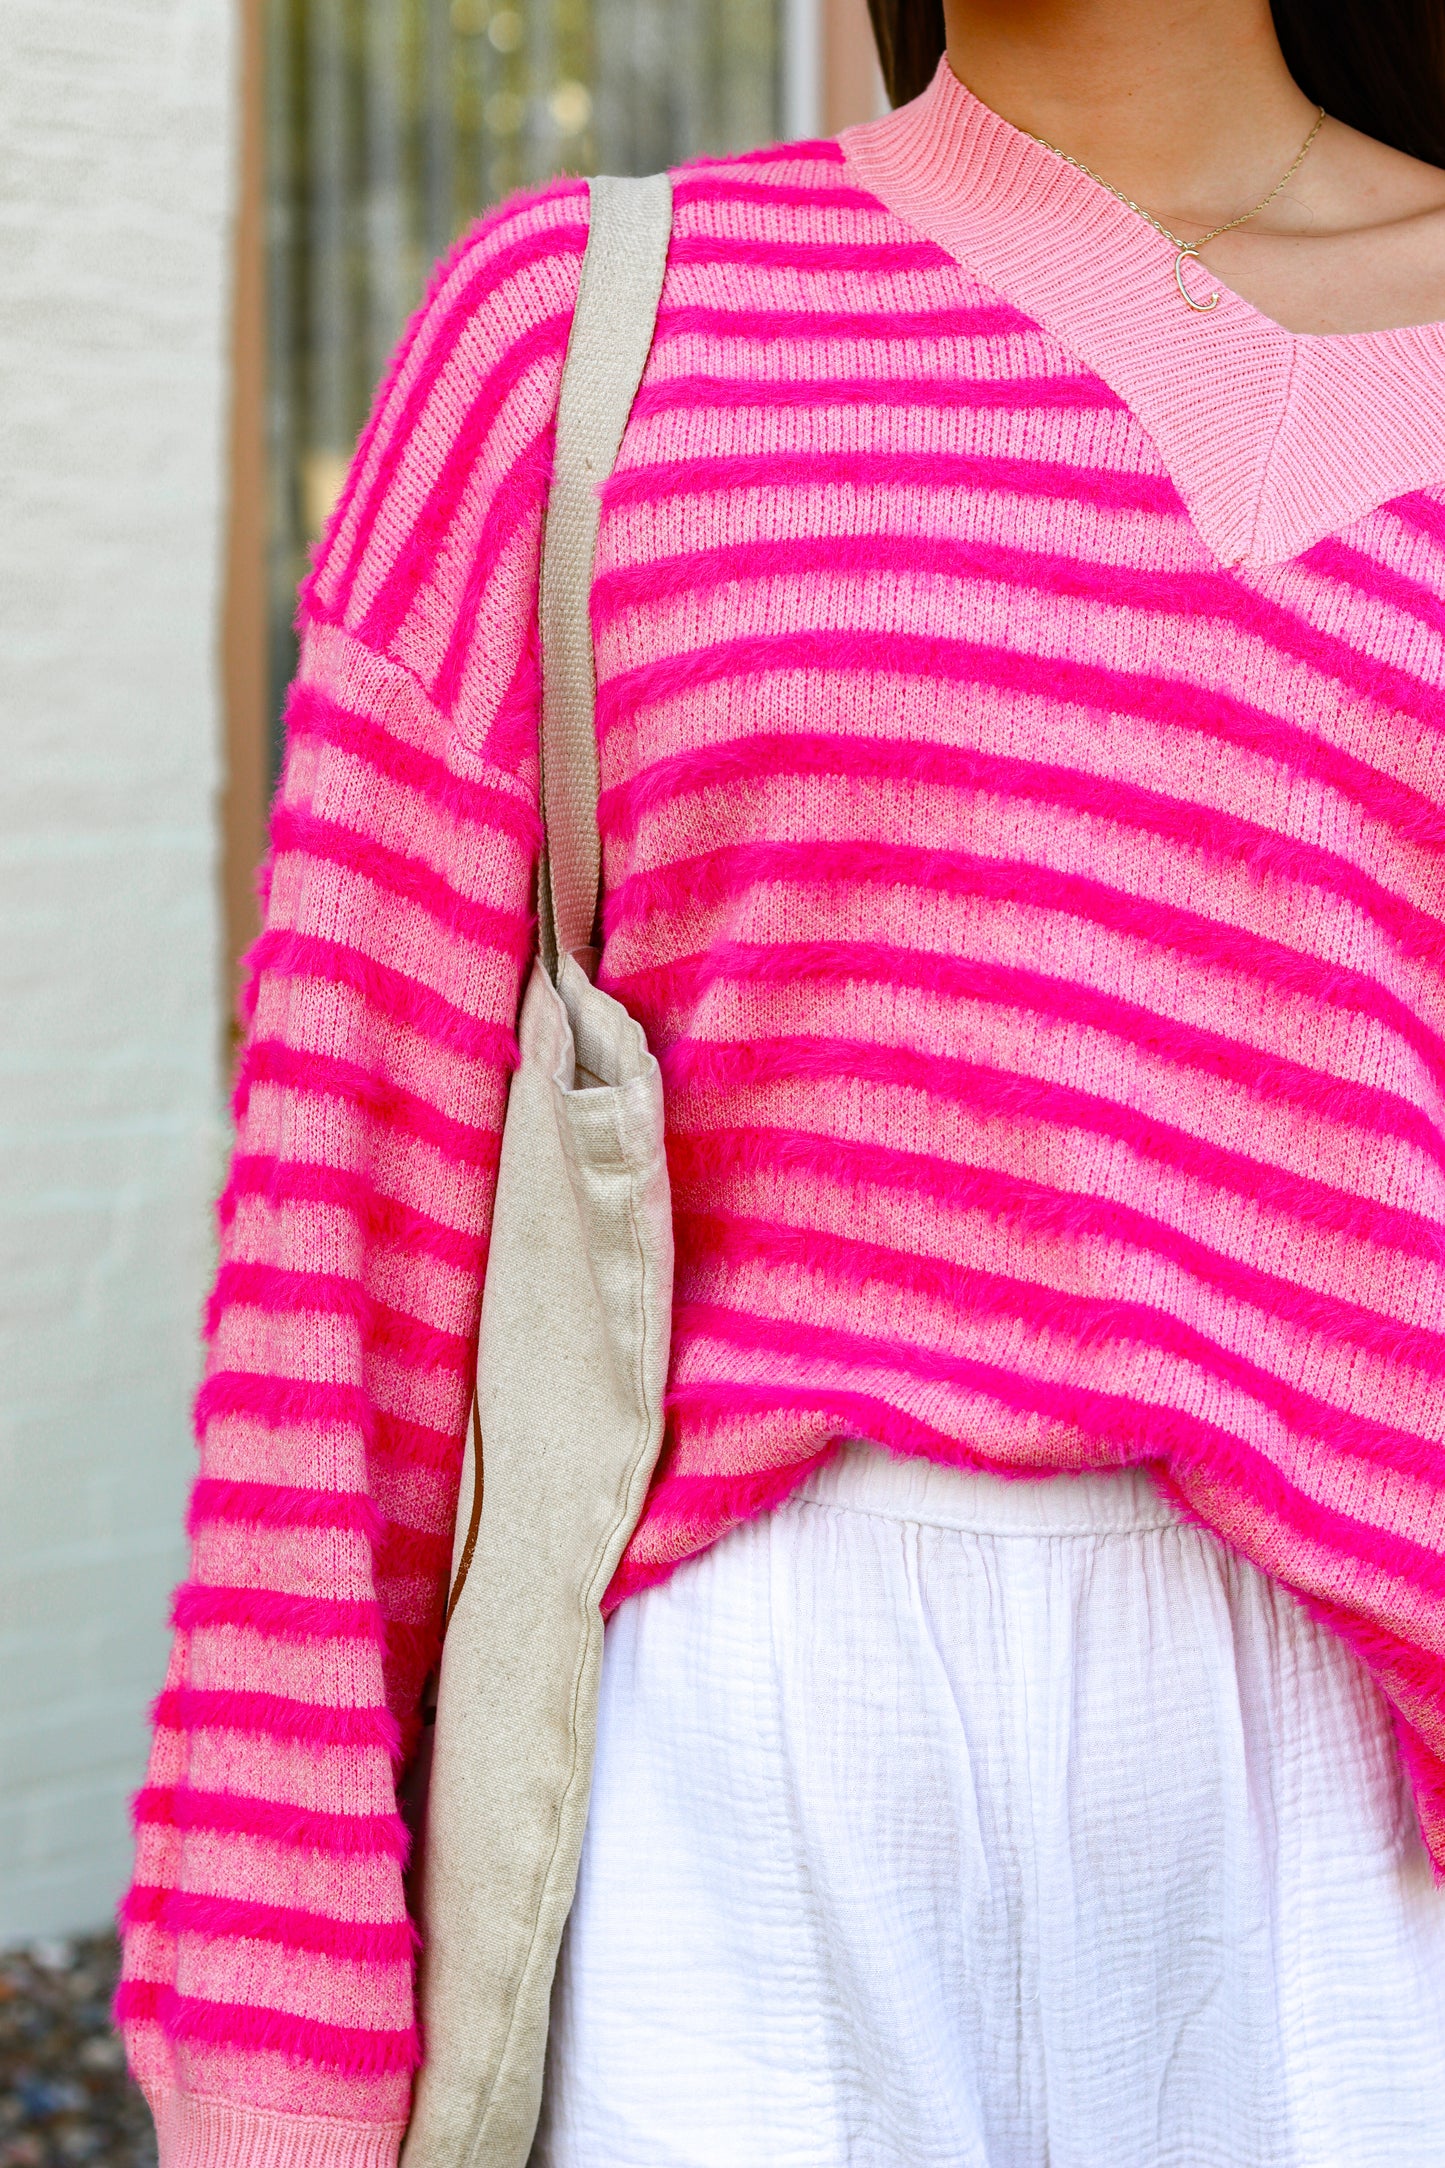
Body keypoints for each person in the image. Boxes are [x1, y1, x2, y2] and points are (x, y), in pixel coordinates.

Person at [119, 1, 1445, 2162]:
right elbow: (329, 1282)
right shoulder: (573, 334)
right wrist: (277, 2072)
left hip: (1352, 1846)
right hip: (735, 1844)